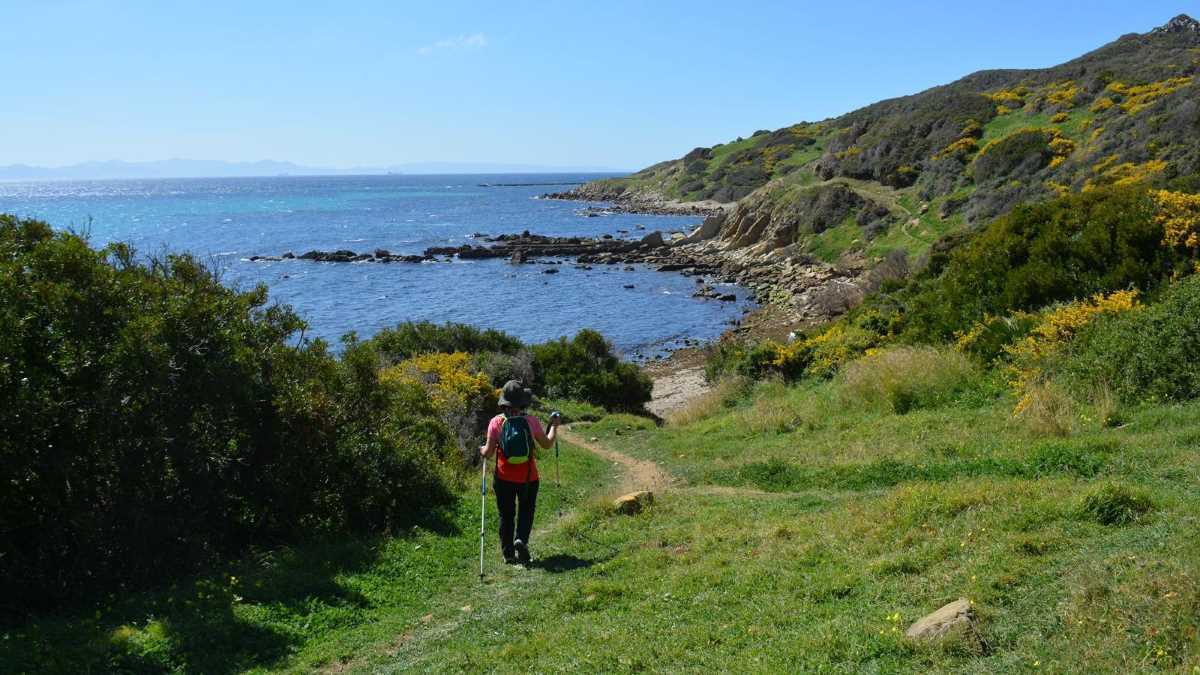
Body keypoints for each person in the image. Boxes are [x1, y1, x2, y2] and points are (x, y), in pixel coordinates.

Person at [480, 380, 559, 565]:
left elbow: (488, 453)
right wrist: (554, 426)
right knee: (526, 511)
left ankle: (508, 554)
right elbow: (547, 444)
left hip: (503, 478)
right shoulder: (531, 421)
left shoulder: (496, 422)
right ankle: (521, 539)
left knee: (506, 515)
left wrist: (481, 450)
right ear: (523, 402)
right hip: (528, 478)